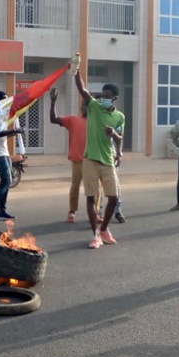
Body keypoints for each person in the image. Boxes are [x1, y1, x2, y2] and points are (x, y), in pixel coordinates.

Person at [73, 66, 125, 249]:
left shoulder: (119, 117)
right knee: (91, 198)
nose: (103, 98)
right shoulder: (94, 106)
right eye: (102, 95)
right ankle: (95, 235)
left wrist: (117, 147)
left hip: (108, 160)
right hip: (90, 159)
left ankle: (104, 229)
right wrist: (76, 71)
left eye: (107, 96)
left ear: (114, 98)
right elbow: (82, 89)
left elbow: (119, 138)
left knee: (113, 198)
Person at [0, 90, 25, 221]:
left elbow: (2, 135)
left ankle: (2, 210)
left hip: (4, 152)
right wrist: (13, 130)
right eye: (4, 99)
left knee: (7, 181)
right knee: (6, 180)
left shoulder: (2, 115)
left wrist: (14, 133)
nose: (7, 102)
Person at [50, 87, 87, 223]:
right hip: (78, 159)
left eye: (88, 106)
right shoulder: (73, 120)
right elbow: (53, 119)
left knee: (95, 188)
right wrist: (53, 102)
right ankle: (72, 211)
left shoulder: (97, 122)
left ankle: (96, 211)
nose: (85, 108)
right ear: (81, 108)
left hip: (93, 160)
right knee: (75, 185)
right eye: (84, 106)